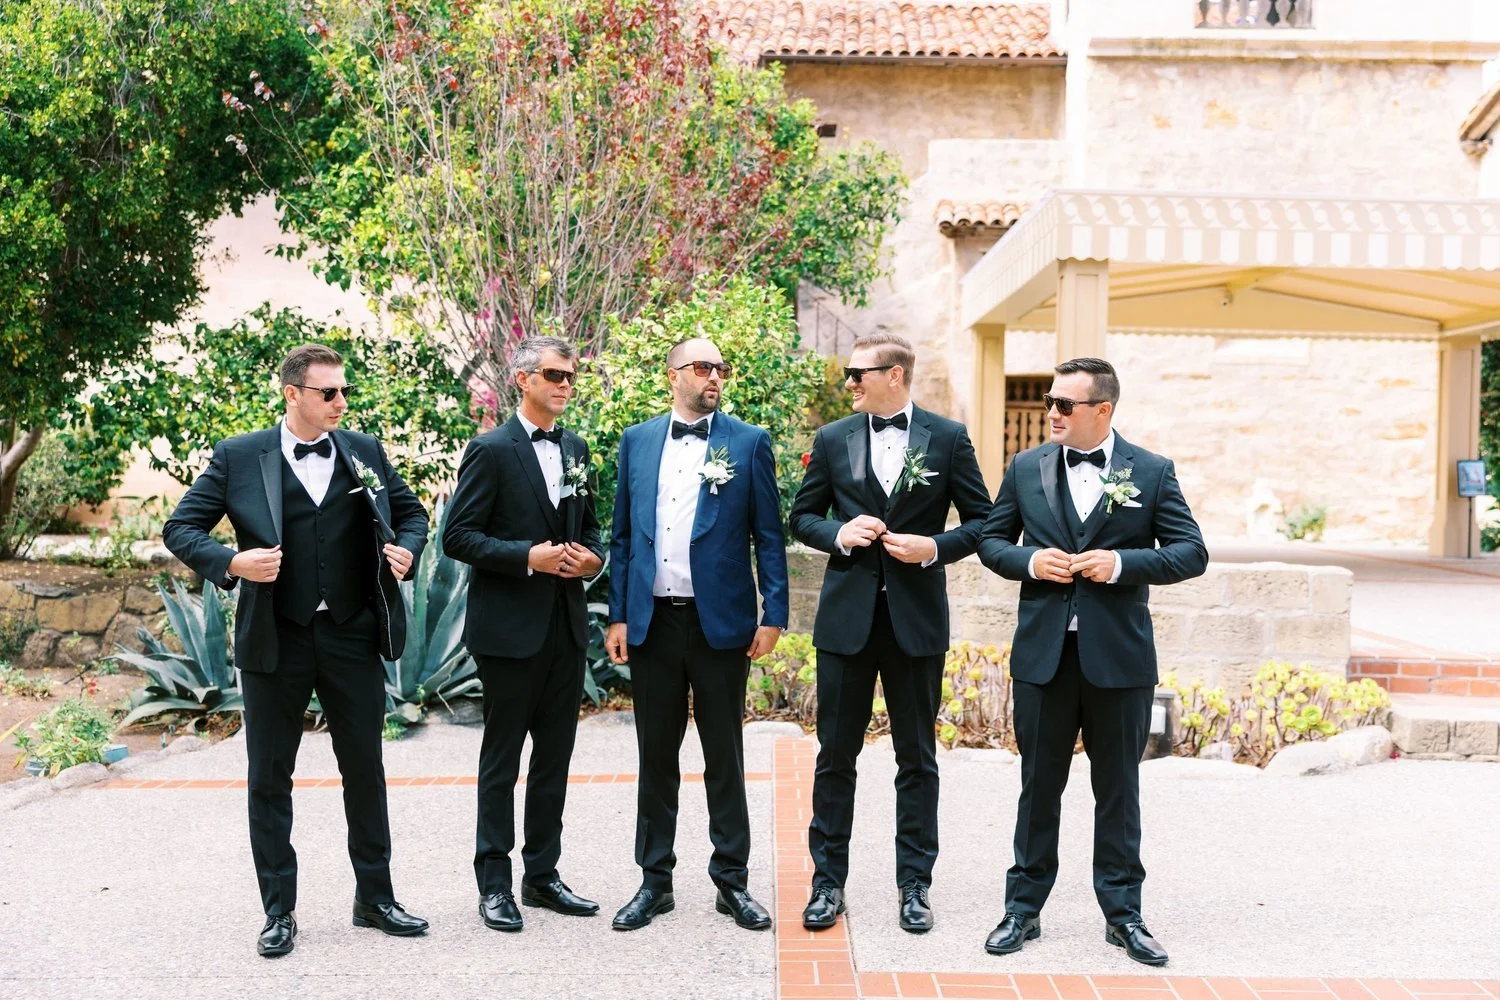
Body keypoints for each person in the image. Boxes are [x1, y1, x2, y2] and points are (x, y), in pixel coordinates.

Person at [163, 343, 431, 957]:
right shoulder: (238, 456)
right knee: (269, 779)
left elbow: (412, 513)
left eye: (344, 392)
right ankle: (279, 910)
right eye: (328, 393)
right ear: (293, 395)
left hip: (350, 633)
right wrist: (232, 561)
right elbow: (181, 527)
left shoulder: (363, 451)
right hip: (274, 637)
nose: (341, 402)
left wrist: (408, 549)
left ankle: (376, 898)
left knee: (365, 770)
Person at [977, 357, 1207, 966]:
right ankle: (1022, 911)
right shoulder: (1026, 467)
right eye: (1049, 401)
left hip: (1119, 661)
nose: (1050, 412)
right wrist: (1028, 562)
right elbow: (992, 541)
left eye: (1063, 405)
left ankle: (1124, 915)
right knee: (1038, 787)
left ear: (1102, 411)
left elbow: (1191, 552)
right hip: (1044, 659)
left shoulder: (1152, 471)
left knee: (1118, 790)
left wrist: (1122, 563)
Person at [789, 333, 992, 934]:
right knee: (834, 758)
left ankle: (915, 886)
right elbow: (802, 516)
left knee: (917, 760)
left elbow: (983, 521)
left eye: (859, 373)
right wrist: (838, 535)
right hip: (846, 623)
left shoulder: (947, 439)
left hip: (916, 623)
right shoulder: (832, 439)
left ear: (895, 375)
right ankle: (827, 883)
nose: (849, 383)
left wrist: (935, 547)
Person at [605, 337, 789, 932]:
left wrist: (774, 613)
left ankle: (731, 882)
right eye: (703, 366)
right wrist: (618, 615)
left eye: (721, 368)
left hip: (722, 625)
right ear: (673, 375)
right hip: (654, 622)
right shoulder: (636, 442)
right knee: (655, 756)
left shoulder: (749, 442)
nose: (715, 376)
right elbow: (624, 538)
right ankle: (654, 882)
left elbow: (769, 536)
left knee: (724, 757)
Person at [443, 336, 605, 933]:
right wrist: (527, 557)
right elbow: (456, 537)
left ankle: (542, 876)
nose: (566, 385)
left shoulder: (578, 449)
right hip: (508, 633)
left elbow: (590, 531)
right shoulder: (489, 450)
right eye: (555, 375)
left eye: (572, 376)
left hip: (564, 629)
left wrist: (593, 561)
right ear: (523, 379)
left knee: (554, 760)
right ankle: (494, 885)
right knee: (501, 760)